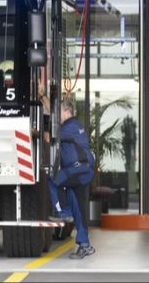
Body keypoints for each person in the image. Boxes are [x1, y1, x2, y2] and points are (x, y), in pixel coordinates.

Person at [47, 96, 96, 259]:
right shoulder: (74, 125)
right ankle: (84, 244)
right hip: (82, 171)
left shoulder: (70, 126)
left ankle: (63, 212)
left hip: (80, 170)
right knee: (78, 207)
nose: (57, 115)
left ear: (67, 111)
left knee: (53, 180)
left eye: (59, 111)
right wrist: (42, 97)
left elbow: (49, 137)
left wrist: (34, 131)